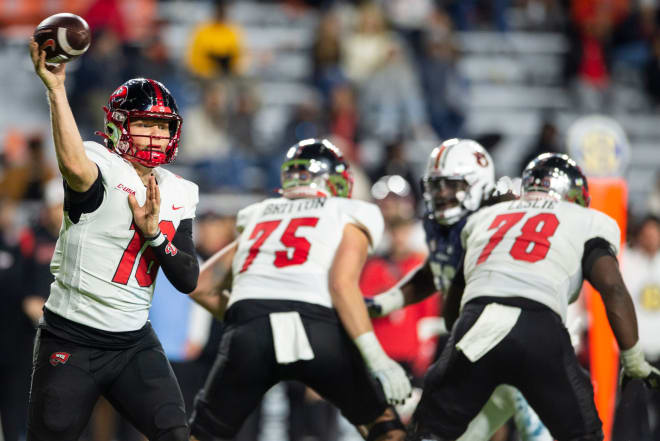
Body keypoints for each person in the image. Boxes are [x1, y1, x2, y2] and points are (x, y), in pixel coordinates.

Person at [407, 153, 660, 441]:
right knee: (582, 434)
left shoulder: (487, 217)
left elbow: (455, 299)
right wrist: (633, 358)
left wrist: (460, 347)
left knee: (428, 433)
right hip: (538, 325)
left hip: (476, 323)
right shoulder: (586, 219)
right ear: (575, 194)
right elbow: (612, 287)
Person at [27, 39, 199, 441]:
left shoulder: (180, 190)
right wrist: (56, 90)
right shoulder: (99, 164)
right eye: (144, 123)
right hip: (73, 335)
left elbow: (187, 277)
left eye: (163, 125)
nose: (155, 134)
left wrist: (155, 234)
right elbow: (72, 164)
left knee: (176, 433)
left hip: (134, 341)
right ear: (118, 126)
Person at [188, 138, 411, 441]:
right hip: (315, 325)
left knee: (203, 434)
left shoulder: (261, 213)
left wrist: (249, 325)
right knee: (385, 428)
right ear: (337, 181)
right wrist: (378, 359)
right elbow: (342, 285)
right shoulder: (347, 210)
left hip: (250, 325)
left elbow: (201, 286)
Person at [367, 138, 551, 440]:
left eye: (451, 185)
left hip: (519, 351)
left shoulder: (504, 219)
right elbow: (432, 273)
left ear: (477, 183)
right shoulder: (444, 228)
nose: (441, 194)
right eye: (436, 186)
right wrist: (385, 302)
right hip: (474, 357)